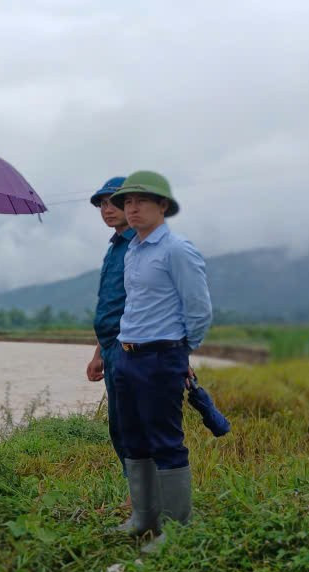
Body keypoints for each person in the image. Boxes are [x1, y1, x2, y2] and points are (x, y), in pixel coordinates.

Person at [108, 171, 213, 551]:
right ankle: (144, 517)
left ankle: (178, 528)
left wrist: (180, 352)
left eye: (140, 201)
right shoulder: (134, 249)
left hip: (161, 356)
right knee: (134, 437)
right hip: (128, 356)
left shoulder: (177, 250)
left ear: (162, 206)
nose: (131, 209)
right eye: (127, 202)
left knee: (165, 440)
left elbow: (199, 309)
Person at [83, 176, 140, 533]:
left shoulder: (140, 246)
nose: (106, 209)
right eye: (102, 204)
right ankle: (137, 496)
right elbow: (111, 305)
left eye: (113, 202)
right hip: (112, 348)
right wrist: (99, 352)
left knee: (136, 426)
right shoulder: (115, 246)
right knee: (119, 427)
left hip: (133, 350)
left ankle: (147, 504)